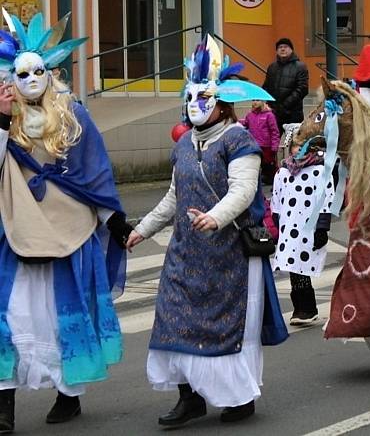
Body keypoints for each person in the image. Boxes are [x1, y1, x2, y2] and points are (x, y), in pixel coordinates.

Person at [126, 37, 288, 427]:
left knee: (226, 328)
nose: (195, 105)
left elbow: (244, 190)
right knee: (173, 317)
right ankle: (190, 397)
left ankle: (237, 397)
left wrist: (215, 217)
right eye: (190, 98)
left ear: (221, 103)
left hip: (228, 252)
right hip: (186, 251)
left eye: (204, 99)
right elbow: (173, 196)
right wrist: (143, 230)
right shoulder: (183, 145)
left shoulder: (239, 140)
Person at [0, 12, 131, 432]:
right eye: (23, 73)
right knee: (12, 315)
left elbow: (95, 170)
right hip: (15, 229)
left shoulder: (73, 115)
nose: (32, 79)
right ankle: (3, 407)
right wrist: (2, 120)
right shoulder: (3, 115)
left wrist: (115, 221)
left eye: (39, 71)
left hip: (69, 228)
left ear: (51, 72)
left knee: (61, 316)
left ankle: (68, 393)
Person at [270, 138, 339, 326]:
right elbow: (276, 200)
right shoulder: (282, 172)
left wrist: (322, 228)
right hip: (288, 226)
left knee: (301, 266)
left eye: (302, 147)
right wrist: (277, 224)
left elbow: (327, 198)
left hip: (310, 225)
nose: (298, 150)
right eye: (295, 147)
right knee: (293, 266)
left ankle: (306, 308)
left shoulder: (320, 170)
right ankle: (301, 308)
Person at [263, 38, 309, 131]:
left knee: (294, 143)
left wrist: (285, 105)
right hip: (274, 113)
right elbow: (266, 86)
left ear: (291, 50)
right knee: (273, 142)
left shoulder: (300, 67)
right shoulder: (272, 67)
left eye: (285, 47)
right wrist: (266, 102)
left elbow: (302, 89)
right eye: (280, 47)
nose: (283, 49)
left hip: (293, 114)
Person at [240, 98, 281, 181]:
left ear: (263, 102)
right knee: (255, 164)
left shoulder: (269, 115)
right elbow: (246, 124)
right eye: (253, 100)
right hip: (254, 145)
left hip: (266, 146)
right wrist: (237, 121)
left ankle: (275, 180)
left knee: (269, 165)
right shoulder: (250, 115)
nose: (255, 102)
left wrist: (275, 146)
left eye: (257, 100)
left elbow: (274, 132)